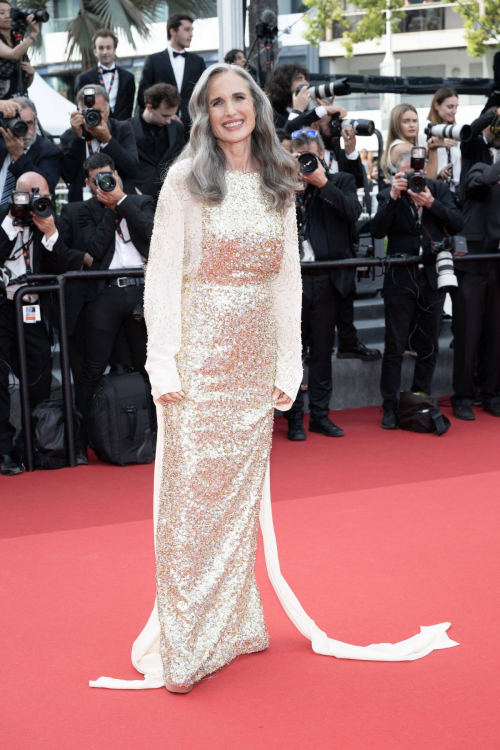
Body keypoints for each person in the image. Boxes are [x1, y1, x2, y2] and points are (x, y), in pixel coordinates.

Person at [89, 64, 456, 695]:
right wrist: (164, 362)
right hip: (199, 361)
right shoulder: (185, 180)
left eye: (240, 98)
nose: (230, 111)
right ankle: (186, 643)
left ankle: (230, 625)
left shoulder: (280, 180)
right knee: (191, 509)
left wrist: (289, 365)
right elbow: (162, 278)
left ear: (256, 105)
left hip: (255, 363)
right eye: (216, 102)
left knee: (237, 506)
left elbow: (288, 282)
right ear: (202, 115)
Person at [371, 150, 464, 429]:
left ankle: (420, 398)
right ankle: (390, 407)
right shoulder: (390, 194)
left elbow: (459, 223)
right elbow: (376, 231)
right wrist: (393, 197)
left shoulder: (438, 189)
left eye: (417, 174)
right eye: (407, 175)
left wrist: (432, 203)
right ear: (397, 175)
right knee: (394, 346)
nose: (413, 179)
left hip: (433, 278)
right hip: (400, 279)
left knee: (429, 345)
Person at [285, 129, 362, 441]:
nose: (304, 161)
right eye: (297, 154)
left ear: (320, 155)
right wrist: (289, 182)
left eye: (309, 155)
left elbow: (353, 213)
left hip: (327, 280)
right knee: (292, 354)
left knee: (321, 353)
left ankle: (319, 415)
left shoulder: (339, 181)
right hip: (292, 282)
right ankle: (292, 419)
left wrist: (322, 183)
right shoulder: (282, 186)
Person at [75, 153, 154, 444]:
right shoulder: (82, 211)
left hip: (141, 291)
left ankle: (153, 433)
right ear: (88, 183)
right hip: (104, 292)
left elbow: (151, 234)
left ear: (117, 174)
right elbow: (94, 251)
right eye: (98, 180)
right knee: (94, 368)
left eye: (109, 176)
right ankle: (81, 440)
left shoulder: (140, 202)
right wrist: (111, 209)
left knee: (148, 365)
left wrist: (122, 202)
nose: (105, 183)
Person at [0, 171, 68, 475]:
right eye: (30, 197)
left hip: (33, 309)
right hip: (2, 308)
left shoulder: (49, 220)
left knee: (39, 375)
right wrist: (11, 226)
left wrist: (50, 233)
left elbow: (63, 269)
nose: (38, 203)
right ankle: (4, 449)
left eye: (44, 197)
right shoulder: (3, 220)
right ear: (16, 196)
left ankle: (35, 441)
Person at [312, 111, 381, 362]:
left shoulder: (341, 153)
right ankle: (316, 347)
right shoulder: (307, 151)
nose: (335, 127)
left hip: (343, 228)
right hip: (316, 230)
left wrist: (351, 152)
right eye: (329, 123)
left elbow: (357, 183)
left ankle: (348, 343)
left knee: (346, 291)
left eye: (337, 123)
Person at [451, 158, 500, 420]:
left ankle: (490, 394)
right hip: (473, 262)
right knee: (468, 334)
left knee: (496, 336)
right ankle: (463, 396)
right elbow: (483, 180)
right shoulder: (479, 168)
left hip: (497, 265)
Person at [60, 84, 139, 202]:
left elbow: (132, 170)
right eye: (88, 112)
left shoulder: (122, 129)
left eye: (98, 112)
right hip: (83, 205)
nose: (93, 117)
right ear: (78, 111)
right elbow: (68, 176)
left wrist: (108, 140)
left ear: (108, 109)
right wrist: (78, 137)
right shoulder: (69, 136)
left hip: (119, 202)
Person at [136, 12, 206, 125]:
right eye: (187, 29)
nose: (191, 34)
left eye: (192, 30)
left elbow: (203, 94)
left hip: (191, 126)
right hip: (160, 127)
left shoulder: (198, 62)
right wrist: (164, 114)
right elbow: (143, 95)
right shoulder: (153, 60)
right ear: (173, 31)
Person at [0, 95, 61, 202]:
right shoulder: (1, 142)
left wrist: (19, 157)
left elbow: (46, 187)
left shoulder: (48, 150)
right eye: (17, 123)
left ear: (35, 122)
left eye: (28, 123)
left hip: (28, 216)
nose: (23, 129)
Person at [131, 83, 185, 202]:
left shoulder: (177, 128)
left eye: (172, 115)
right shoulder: (127, 128)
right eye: (165, 115)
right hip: (138, 198)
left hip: (170, 198)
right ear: (149, 107)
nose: (169, 120)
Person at [265, 63, 347, 134]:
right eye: (299, 79)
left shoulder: (308, 115)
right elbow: (283, 142)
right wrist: (297, 111)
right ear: (284, 85)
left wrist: (326, 120)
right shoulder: (272, 115)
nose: (306, 83)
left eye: (305, 79)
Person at [74, 28, 136, 121]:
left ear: (114, 50)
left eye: (108, 47)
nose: (105, 52)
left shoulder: (128, 78)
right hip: (95, 128)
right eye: (101, 48)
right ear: (95, 51)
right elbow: (81, 108)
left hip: (122, 129)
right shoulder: (83, 79)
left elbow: (129, 109)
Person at [419, 88, 461, 197]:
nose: (454, 111)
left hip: (455, 193)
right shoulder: (425, 128)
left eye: (456, 107)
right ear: (436, 105)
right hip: (433, 190)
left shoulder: (455, 131)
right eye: (450, 107)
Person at [381, 103, 438, 180]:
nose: (412, 125)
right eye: (406, 121)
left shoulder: (401, 145)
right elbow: (429, 180)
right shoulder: (401, 147)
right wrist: (433, 149)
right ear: (396, 125)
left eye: (415, 121)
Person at [459, 105, 500, 206]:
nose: (498, 134)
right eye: (495, 128)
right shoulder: (474, 144)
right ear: (485, 127)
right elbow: (471, 130)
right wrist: (495, 114)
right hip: (474, 208)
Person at [0, 1, 36, 99]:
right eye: (1, 13)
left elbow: (24, 84)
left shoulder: (17, 40)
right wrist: (33, 34)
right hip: (3, 104)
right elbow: (13, 54)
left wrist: (31, 74)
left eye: (10, 12)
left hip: (22, 102)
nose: (7, 16)